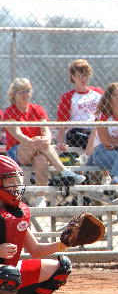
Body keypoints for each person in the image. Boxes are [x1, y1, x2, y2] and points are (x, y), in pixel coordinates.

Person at [0, 156, 73, 294]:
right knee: (8, 274)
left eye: (16, 180)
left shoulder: (15, 212)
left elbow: (36, 250)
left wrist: (65, 244)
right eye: (9, 181)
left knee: (62, 267)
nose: (15, 186)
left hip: (5, 272)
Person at [3, 78, 86, 207]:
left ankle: (40, 198)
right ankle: (64, 171)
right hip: (17, 151)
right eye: (21, 91)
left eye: (27, 91)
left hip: (39, 149)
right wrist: (35, 141)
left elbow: (45, 130)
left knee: (41, 159)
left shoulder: (37, 109)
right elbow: (18, 135)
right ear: (13, 94)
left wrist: (46, 139)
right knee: (38, 141)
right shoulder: (9, 111)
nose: (25, 94)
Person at [56, 59, 103, 151]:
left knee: (99, 133)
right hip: (78, 133)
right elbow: (62, 123)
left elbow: (106, 113)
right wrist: (60, 142)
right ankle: (89, 153)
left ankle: (89, 153)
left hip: (96, 130)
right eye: (80, 75)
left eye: (86, 75)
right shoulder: (68, 97)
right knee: (78, 135)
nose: (83, 78)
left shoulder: (98, 93)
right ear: (73, 77)